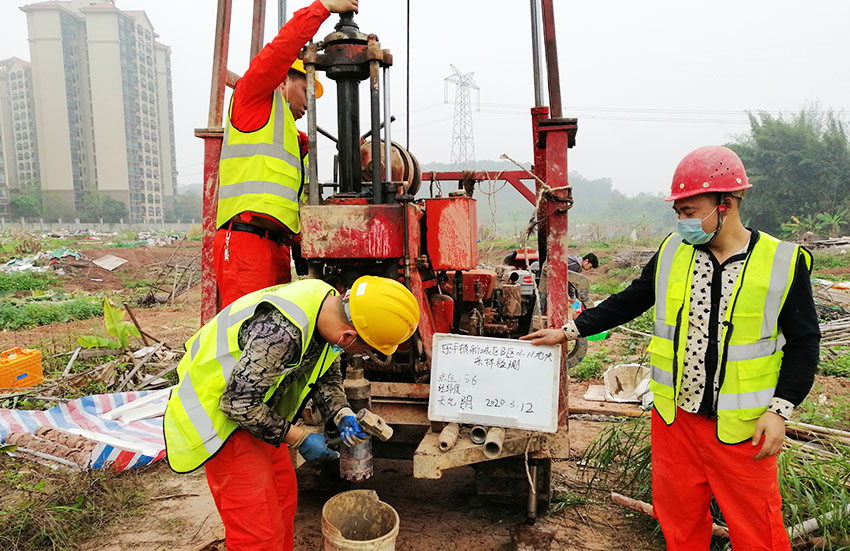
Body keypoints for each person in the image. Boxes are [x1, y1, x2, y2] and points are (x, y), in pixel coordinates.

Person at [523, 145, 820, 551]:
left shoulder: (782, 262)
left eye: (690, 211)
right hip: (675, 421)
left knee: (758, 531)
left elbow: (805, 342)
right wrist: (569, 331)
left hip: (744, 428)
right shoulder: (672, 253)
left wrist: (780, 410)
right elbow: (630, 300)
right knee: (679, 523)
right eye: (678, 212)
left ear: (726, 203)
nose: (682, 222)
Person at [163, 275, 420, 551]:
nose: (362, 354)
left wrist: (341, 412)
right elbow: (237, 403)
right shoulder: (280, 332)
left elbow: (326, 374)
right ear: (348, 336)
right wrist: (299, 437)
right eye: (365, 349)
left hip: (260, 415)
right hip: (222, 422)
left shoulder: (327, 305)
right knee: (259, 534)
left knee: (284, 503)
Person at [214, 0, 359, 308]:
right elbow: (278, 52)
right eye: (306, 89)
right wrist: (321, 8)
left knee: (271, 329)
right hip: (246, 242)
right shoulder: (252, 99)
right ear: (283, 79)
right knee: (246, 327)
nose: (308, 102)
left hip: (275, 248)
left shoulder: (292, 138)